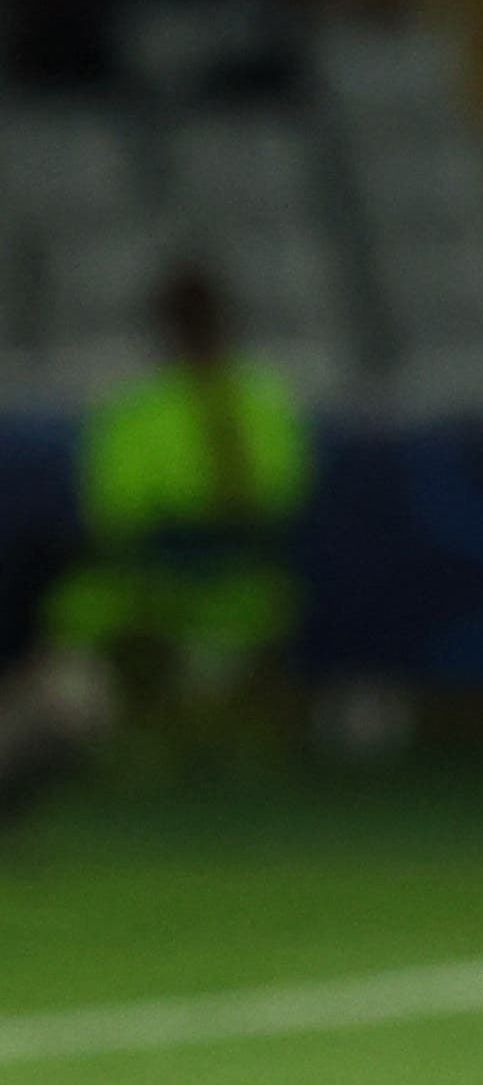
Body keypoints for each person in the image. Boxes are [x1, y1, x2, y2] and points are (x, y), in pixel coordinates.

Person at [27, 266, 309, 783]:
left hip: (227, 587)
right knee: (73, 629)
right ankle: (101, 746)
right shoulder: (140, 407)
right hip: (149, 581)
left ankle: (200, 747)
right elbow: (117, 515)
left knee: (212, 653)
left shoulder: (254, 402)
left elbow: (273, 504)